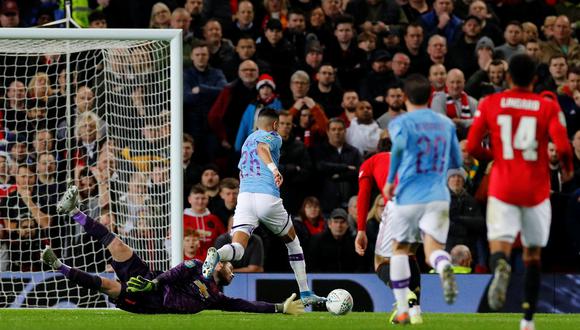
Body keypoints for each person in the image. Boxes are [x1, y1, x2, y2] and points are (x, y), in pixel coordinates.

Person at [42, 185, 304, 315]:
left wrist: (279, 308)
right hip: (151, 280)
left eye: (231, 270)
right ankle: (74, 211)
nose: (231, 271)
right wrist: (152, 282)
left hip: (150, 301)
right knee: (119, 245)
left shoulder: (215, 297)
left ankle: (59, 267)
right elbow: (177, 271)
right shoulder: (197, 267)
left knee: (108, 286)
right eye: (229, 266)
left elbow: (246, 305)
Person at [466, 54, 574, 330]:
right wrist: (568, 167)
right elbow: (562, 146)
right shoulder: (546, 105)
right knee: (533, 254)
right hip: (536, 190)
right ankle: (527, 319)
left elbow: (473, 145)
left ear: (508, 77)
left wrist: (496, 156)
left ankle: (500, 263)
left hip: (502, 186)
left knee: (499, 245)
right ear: (535, 79)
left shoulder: (491, 102)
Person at [202, 108, 325, 306]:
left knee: (238, 249)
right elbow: (262, 149)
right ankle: (305, 292)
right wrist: (275, 169)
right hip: (266, 196)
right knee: (293, 244)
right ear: (275, 125)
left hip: (244, 198)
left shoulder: (246, 140)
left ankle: (218, 254)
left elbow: (255, 150)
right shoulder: (274, 137)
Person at [384, 74, 462, 324]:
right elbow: (458, 162)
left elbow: (397, 148)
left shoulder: (400, 123)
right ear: (431, 97)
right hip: (438, 197)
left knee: (399, 249)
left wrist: (389, 180)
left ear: (405, 98)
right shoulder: (445, 123)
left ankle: (404, 310)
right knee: (432, 251)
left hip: (407, 196)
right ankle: (443, 267)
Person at [355, 147, 423, 325]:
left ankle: (404, 291)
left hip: (399, 203)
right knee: (408, 253)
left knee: (380, 261)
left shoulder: (368, 164)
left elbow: (363, 195)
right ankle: (414, 310)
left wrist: (361, 230)